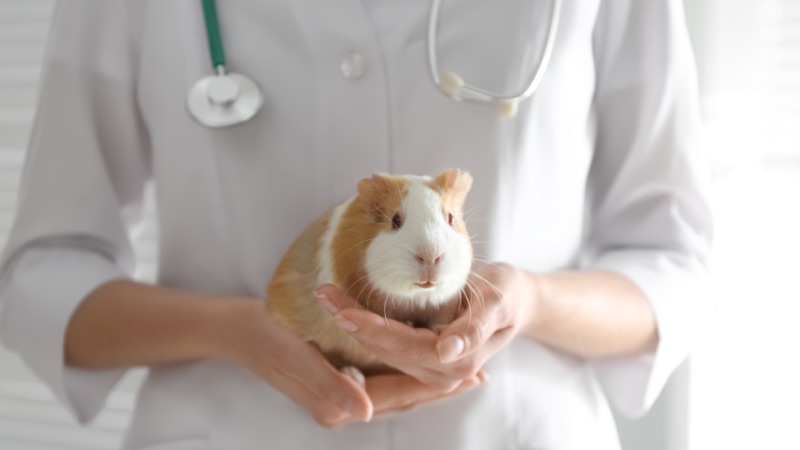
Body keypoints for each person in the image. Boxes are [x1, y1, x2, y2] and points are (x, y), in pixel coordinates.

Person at [0, 0, 714, 449]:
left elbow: (673, 263)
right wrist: (235, 330)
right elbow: (42, 276)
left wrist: (529, 300)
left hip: (511, 429)